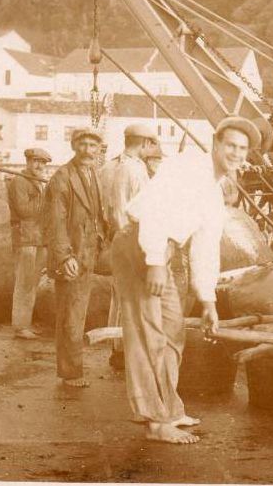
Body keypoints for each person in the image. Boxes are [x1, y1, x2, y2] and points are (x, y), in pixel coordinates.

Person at [113, 116, 261, 444]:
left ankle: (168, 408)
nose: (236, 153)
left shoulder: (215, 193)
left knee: (172, 331)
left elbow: (205, 249)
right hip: (139, 244)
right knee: (149, 333)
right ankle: (155, 422)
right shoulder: (187, 166)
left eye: (242, 148)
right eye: (230, 145)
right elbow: (153, 208)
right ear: (215, 145)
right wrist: (153, 261)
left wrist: (207, 299)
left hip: (162, 250)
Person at [44, 128, 109, 387]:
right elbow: (55, 221)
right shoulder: (62, 177)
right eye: (82, 144)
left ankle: (73, 369)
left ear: (98, 150)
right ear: (74, 146)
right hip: (72, 256)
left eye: (93, 145)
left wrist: (103, 236)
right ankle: (70, 374)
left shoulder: (92, 173)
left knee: (78, 312)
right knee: (70, 314)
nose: (87, 150)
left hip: (88, 251)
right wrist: (64, 257)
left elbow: (97, 212)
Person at [100, 124, 159, 369]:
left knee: (121, 295)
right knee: (129, 298)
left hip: (117, 236)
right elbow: (120, 209)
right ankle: (123, 351)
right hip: (129, 237)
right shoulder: (131, 170)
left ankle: (120, 349)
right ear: (144, 143)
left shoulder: (110, 165)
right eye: (151, 144)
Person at [7, 148, 51, 340]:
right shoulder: (19, 182)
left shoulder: (39, 182)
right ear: (27, 161)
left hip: (39, 238)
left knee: (32, 283)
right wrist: (48, 201)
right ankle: (20, 326)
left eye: (43, 162)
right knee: (24, 282)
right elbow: (24, 211)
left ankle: (25, 323)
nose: (39, 165)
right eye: (35, 161)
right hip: (25, 238)